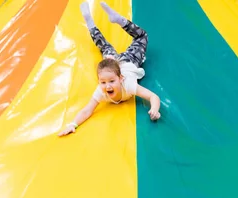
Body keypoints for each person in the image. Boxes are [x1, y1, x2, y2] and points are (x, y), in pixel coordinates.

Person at [58, 1, 161, 137]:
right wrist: (72, 124)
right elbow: (87, 110)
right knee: (105, 47)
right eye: (103, 82)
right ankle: (89, 21)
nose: (107, 86)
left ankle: (118, 19)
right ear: (99, 81)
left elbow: (153, 96)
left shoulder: (128, 84)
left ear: (121, 78)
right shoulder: (101, 90)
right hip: (111, 64)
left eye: (112, 81)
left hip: (128, 60)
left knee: (142, 36)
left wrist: (155, 109)